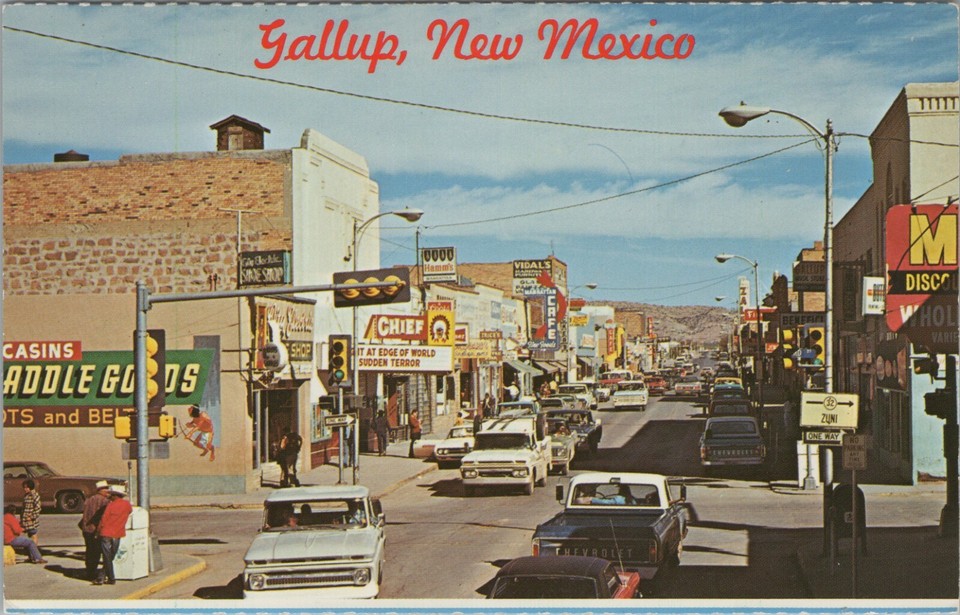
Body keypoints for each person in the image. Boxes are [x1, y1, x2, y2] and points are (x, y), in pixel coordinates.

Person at [94, 485, 133, 585]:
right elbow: (129, 512)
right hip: (118, 533)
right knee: (111, 556)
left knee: (107, 557)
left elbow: (103, 520)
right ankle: (101, 577)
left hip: (106, 533)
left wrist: (97, 532)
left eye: (111, 495)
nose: (109, 496)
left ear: (115, 495)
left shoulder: (111, 505)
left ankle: (111, 578)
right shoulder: (127, 505)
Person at [80, 480, 111, 580]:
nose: (107, 491)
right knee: (97, 552)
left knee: (89, 551)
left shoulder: (89, 499)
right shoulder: (104, 501)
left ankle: (89, 571)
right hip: (96, 530)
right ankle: (94, 573)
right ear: (100, 490)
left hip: (86, 530)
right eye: (106, 489)